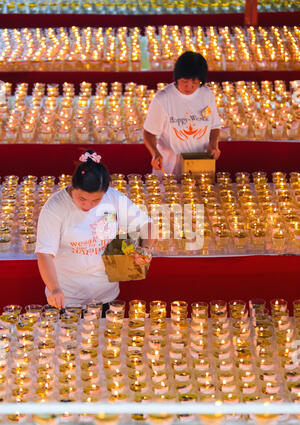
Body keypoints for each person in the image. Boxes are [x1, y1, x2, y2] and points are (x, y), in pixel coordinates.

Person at [35, 150, 152, 313]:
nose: (88, 205)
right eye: (81, 198)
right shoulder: (55, 207)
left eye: (96, 200)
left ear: (105, 191)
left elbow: (147, 225)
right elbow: (45, 254)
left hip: (106, 295)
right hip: (66, 298)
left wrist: (145, 248)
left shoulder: (114, 198)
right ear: (72, 186)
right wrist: (54, 288)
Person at [143, 50, 222, 180]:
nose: (189, 86)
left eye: (195, 83)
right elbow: (149, 133)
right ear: (177, 76)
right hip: (169, 166)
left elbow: (214, 125)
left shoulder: (206, 95)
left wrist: (213, 144)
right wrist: (155, 153)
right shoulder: (163, 98)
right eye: (185, 81)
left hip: (199, 164)